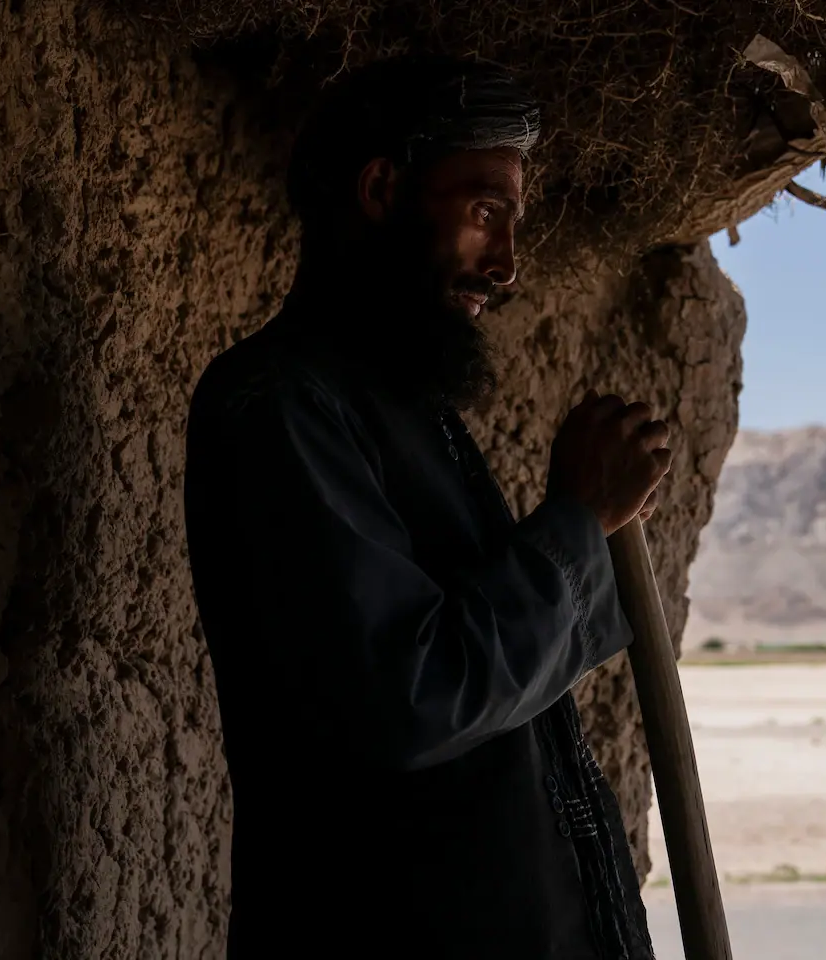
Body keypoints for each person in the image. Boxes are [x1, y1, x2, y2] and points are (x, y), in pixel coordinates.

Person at [183, 55, 667, 959]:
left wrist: (586, 522)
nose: (508, 264)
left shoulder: (410, 416)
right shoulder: (281, 406)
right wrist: (575, 521)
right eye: (486, 212)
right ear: (381, 190)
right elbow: (409, 697)